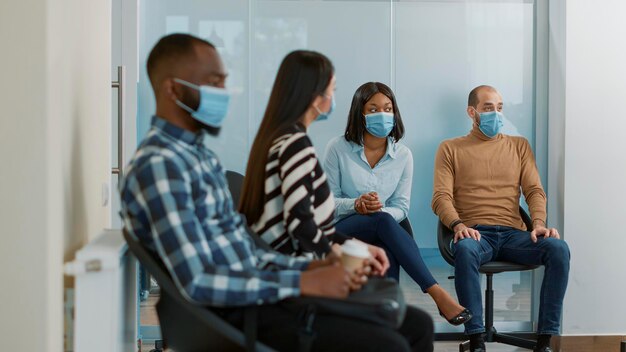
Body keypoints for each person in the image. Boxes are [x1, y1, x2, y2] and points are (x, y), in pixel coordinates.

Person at [120, 33, 433, 352]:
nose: (225, 94)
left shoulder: (199, 157)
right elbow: (198, 280)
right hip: (243, 313)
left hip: (262, 295)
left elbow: (248, 253)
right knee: (392, 343)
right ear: (173, 89)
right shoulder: (161, 166)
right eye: (213, 83)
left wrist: (313, 269)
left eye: (224, 83)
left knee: (417, 325)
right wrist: (304, 281)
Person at [431, 85, 570, 352]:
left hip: (513, 234)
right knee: (465, 250)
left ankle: (544, 341)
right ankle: (477, 340)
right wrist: (458, 225)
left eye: (499, 107)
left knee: (558, 249)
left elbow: (534, 191)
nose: (496, 113)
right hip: (475, 233)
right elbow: (440, 198)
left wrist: (539, 223)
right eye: (488, 108)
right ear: (472, 112)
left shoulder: (519, 146)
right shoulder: (450, 148)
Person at [322, 81, 472, 326]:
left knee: (385, 236)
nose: (382, 114)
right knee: (382, 220)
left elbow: (401, 208)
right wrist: (357, 205)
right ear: (360, 113)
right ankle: (437, 292)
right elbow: (327, 204)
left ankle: (385, 319)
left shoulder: (403, 155)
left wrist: (375, 210)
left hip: (382, 229)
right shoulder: (337, 148)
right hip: (341, 231)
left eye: (388, 108)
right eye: (373, 109)